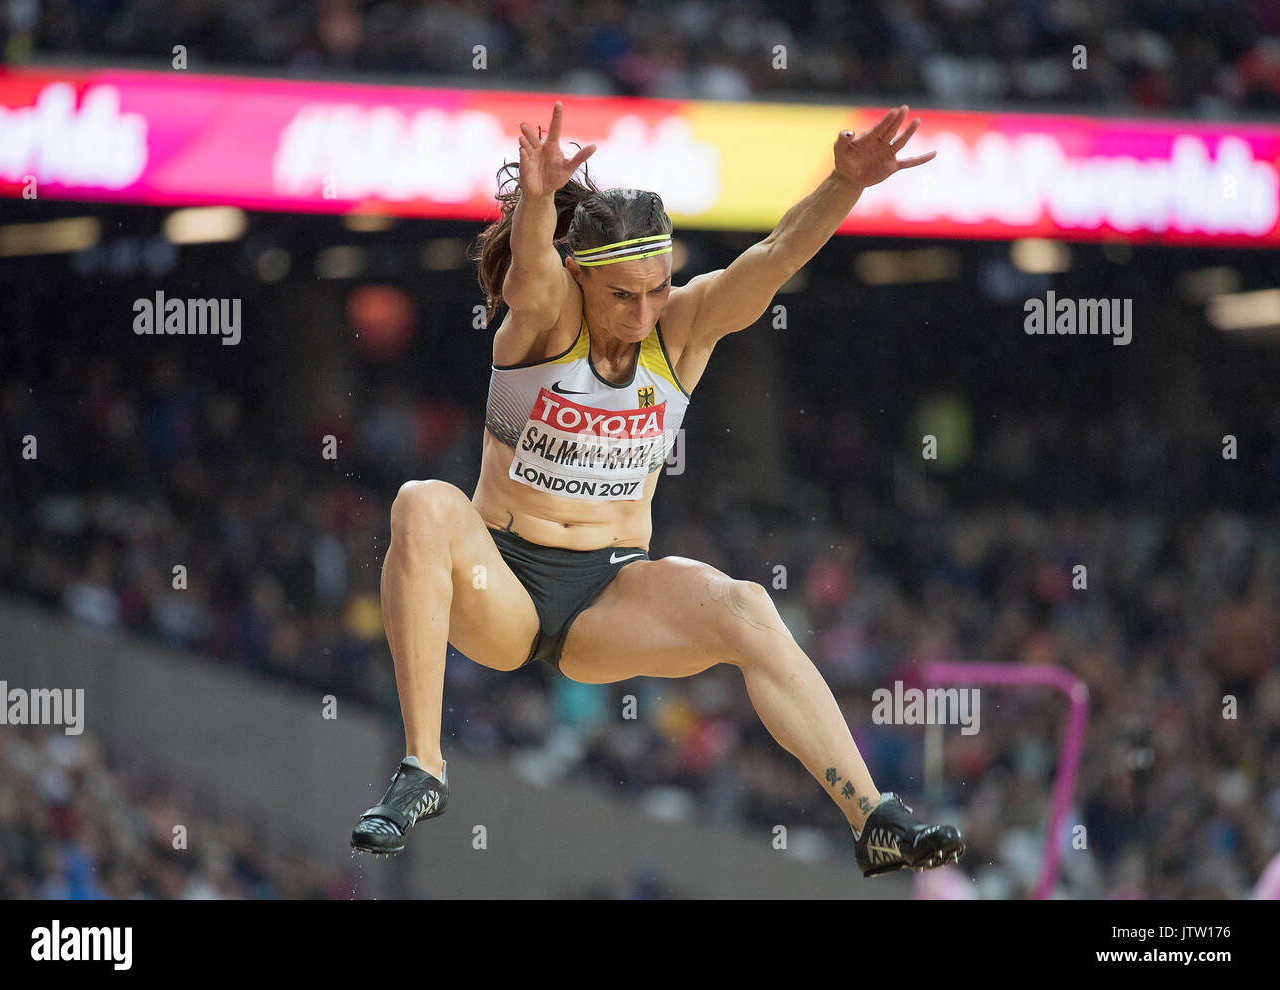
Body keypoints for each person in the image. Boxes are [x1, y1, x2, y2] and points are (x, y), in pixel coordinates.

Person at [351, 100, 965, 878]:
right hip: (499, 583)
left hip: (609, 599)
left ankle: (871, 814)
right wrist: (539, 201)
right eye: (622, 296)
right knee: (420, 501)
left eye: (656, 288)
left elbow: (773, 256)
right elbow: (534, 269)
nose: (644, 313)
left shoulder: (680, 327)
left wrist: (843, 186)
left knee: (748, 606)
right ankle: (423, 767)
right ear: (583, 278)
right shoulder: (542, 319)